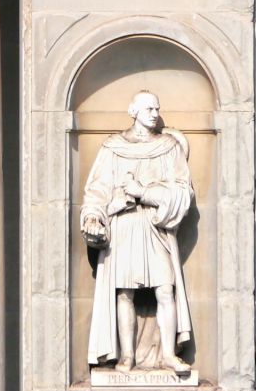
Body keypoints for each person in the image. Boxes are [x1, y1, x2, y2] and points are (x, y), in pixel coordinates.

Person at [81, 91, 193, 373]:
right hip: (123, 225)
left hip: (155, 226)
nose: (154, 114)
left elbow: (183, 192)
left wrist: (144, 192)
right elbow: (97, 190)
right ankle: (127, 355)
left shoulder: (168, 147)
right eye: (148, 109)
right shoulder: (113, 147)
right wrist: (94, 215)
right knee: (124, 293)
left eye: (157, 109)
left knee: (165, 289)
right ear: (133, 111)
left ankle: (168, 354)